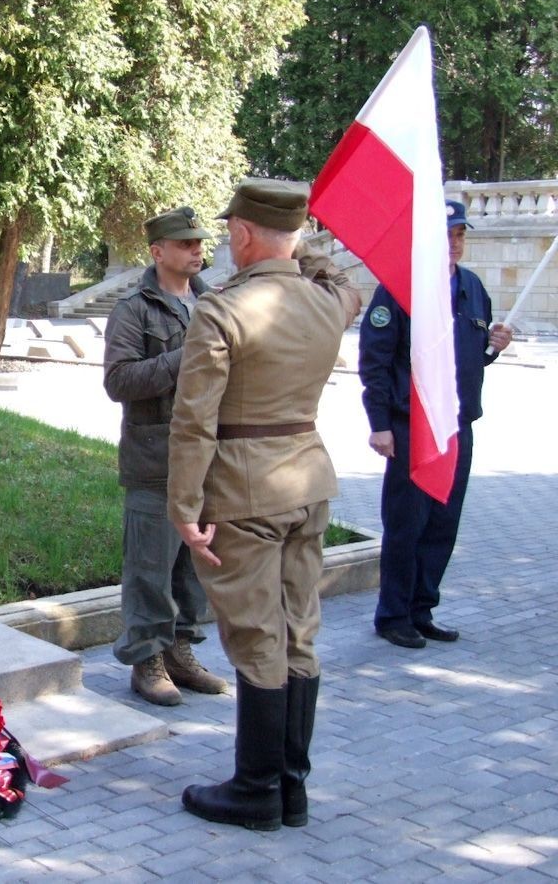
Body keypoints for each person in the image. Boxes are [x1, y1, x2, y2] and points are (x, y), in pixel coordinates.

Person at [167, 178, 361, 831]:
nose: (225, 241)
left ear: (245, 234)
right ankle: (291, 788)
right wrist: (302, 249)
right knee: (299, 631)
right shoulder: (327, 302)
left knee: (256, 637)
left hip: (243, 493)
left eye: (231, 231)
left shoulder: (221, 311)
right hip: (307, 483)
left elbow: (193, 423)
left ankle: (255, 791)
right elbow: (346, 285)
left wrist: (184, 508)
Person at [359, 199, 512, 649]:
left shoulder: (472, 287)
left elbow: (469, 357)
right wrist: (380, 423)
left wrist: (494, 348)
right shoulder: (399, 288)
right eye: (446, 236)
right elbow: (376, 361)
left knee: (443, 523)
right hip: (411, 427)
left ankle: (422, 609)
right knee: (407, 523)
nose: (455, 243)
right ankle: (393, 615)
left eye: (460, 234)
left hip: (456, 426)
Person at [102, 207, 227, 706]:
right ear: (157, 252)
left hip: (207, 458)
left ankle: (179, 651)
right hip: (156, 458)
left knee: (193, 567)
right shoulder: (135, 309)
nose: (197, 250)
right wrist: (186, 354)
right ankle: (146, 660)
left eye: (199, 242)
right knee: (150, 567)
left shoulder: (211, 303)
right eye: (185, 243)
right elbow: (119, 381)